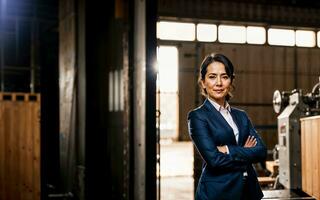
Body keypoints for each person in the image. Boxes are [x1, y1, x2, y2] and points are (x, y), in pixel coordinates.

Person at [187, 53, 267, 200]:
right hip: (218, 193)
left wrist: (227, 149)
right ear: (203, 82)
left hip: (249, 192)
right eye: (212, 77)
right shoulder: (198, 117)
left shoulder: (241, 116)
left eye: (224, 77)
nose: (219, 83)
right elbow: (214, 160)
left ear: (231, 81)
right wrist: (246, 152)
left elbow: (261, 151)